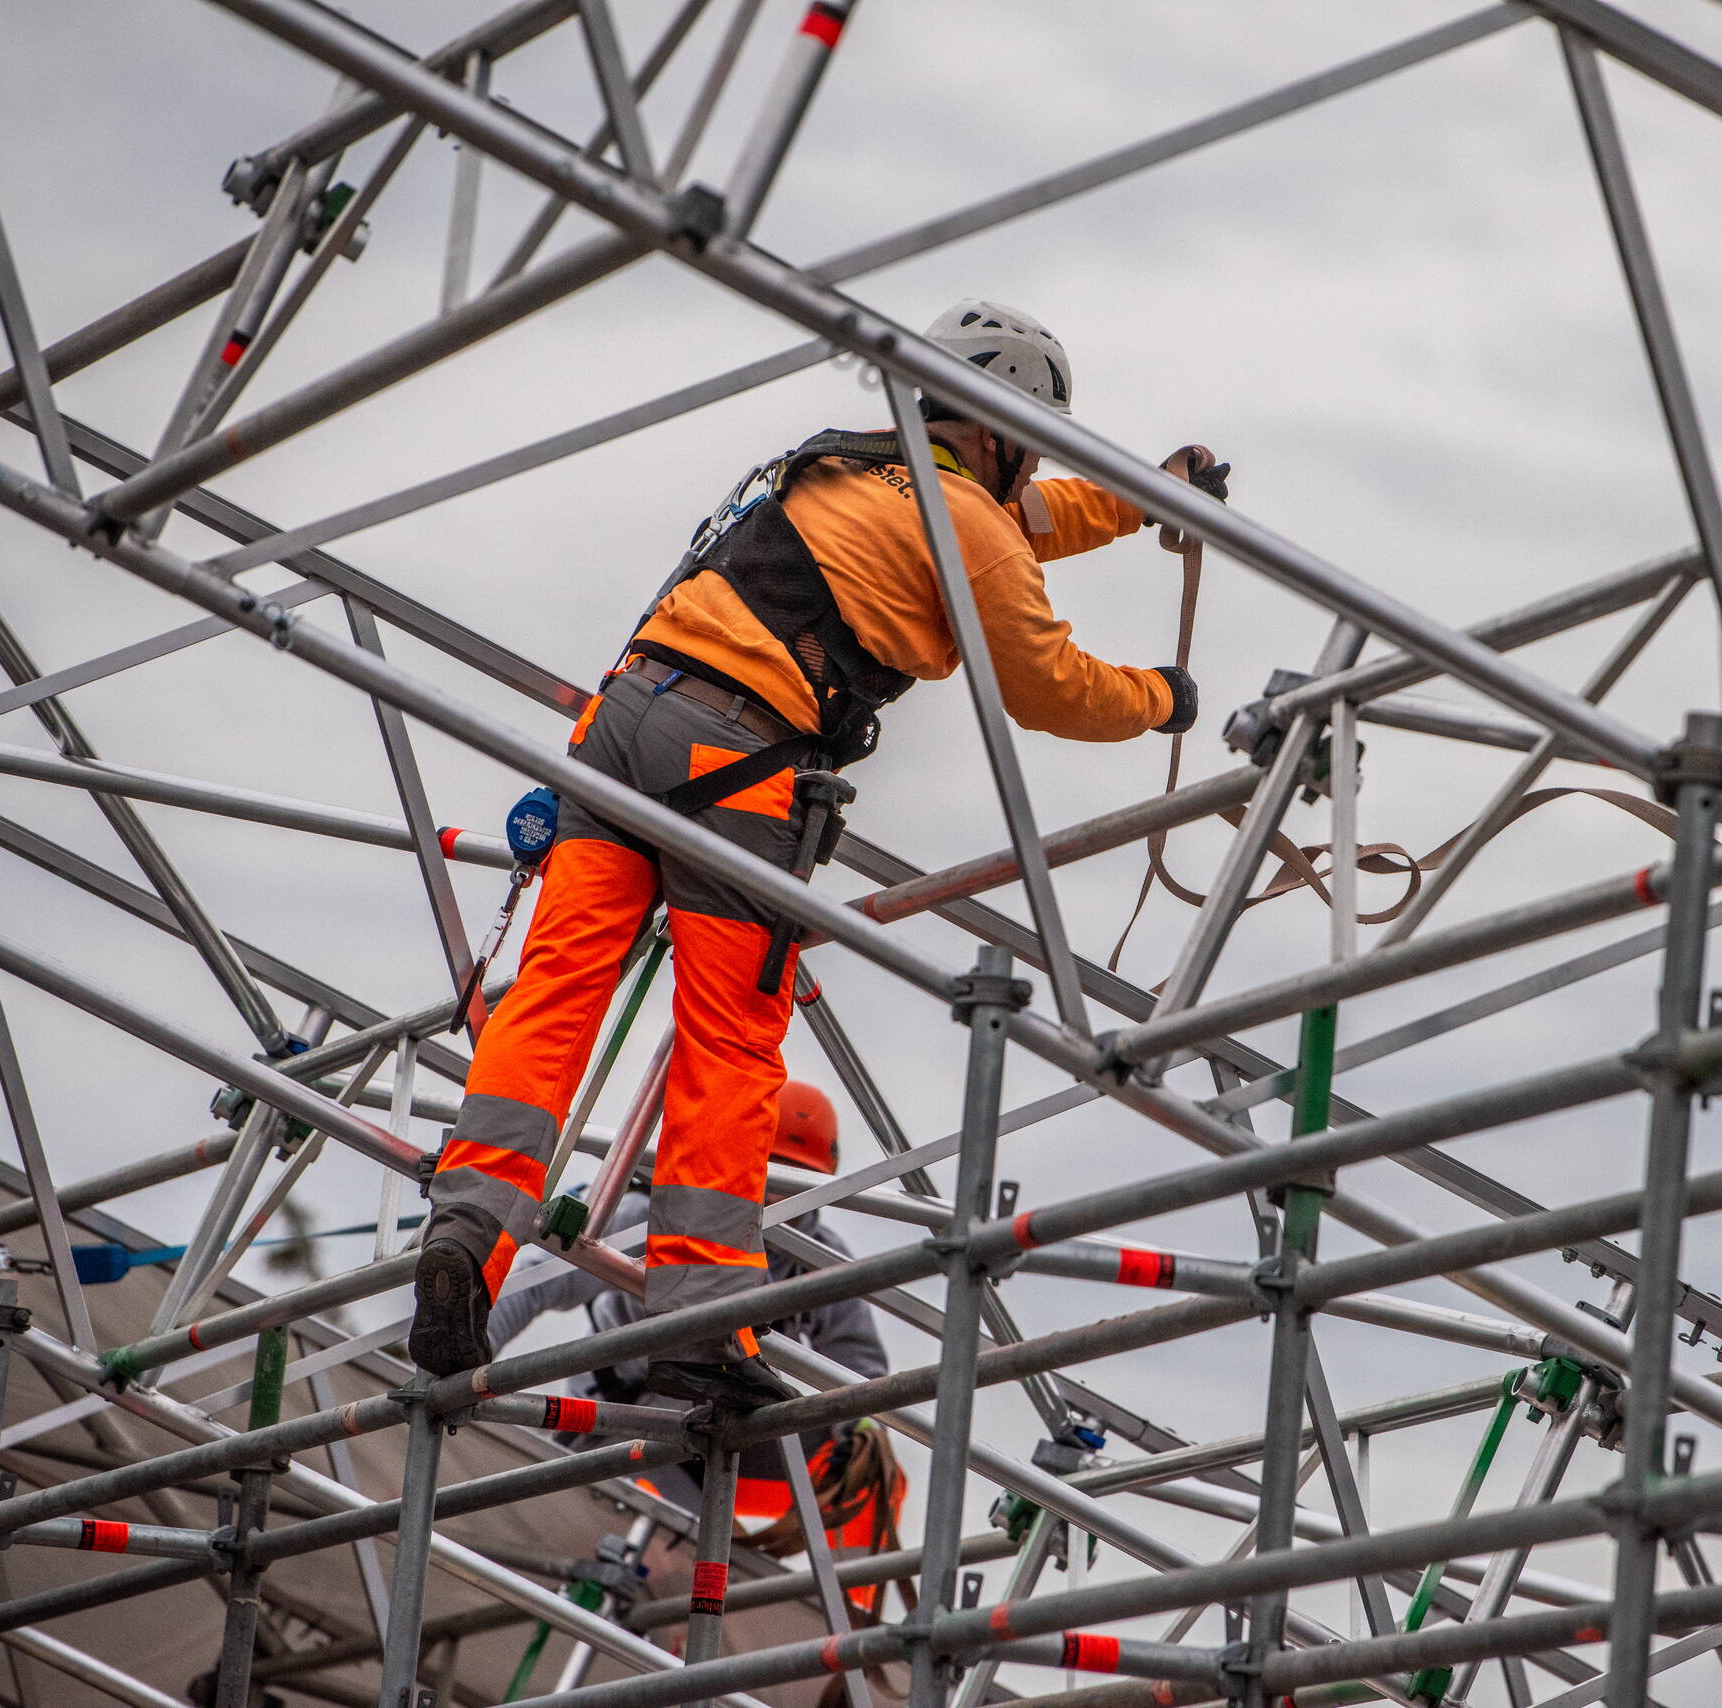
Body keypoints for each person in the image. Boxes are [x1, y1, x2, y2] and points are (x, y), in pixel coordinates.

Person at [411, 298, 1229, 1410]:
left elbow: (1024, 516)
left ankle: (466, 1237)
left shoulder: (847, 469)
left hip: (619, 729)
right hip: (737, 757)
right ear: (996, 430)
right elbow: (1047, 683)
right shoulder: (964, 521)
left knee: (551, 1001)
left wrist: (1139, 495)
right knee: (730, 1040)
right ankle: (697, 1318)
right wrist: (1161, 700)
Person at [478, 1083, 905, 1581]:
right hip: (610, 1416)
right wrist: (472, 1353)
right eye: (772, 1172)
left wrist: (857, 1424)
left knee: (869, 1472)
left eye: (800, 1179)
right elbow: (534, 1282)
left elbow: (856, 1360)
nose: (782, 1194)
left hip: (711, 1432)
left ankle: (840, 1611)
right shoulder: (651, 1214)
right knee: (583, 1528)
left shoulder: (819, 1260)